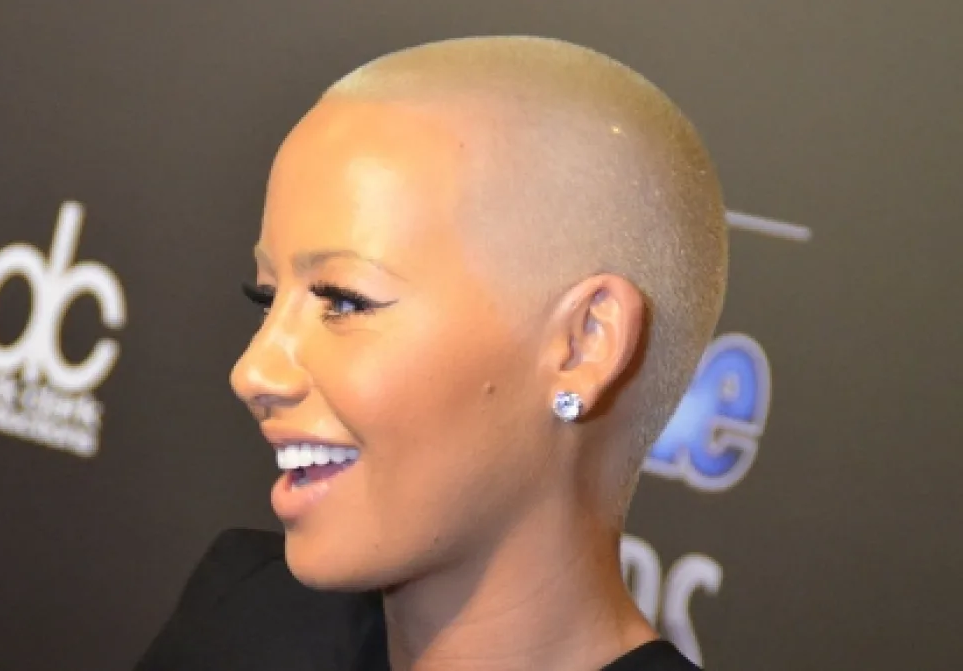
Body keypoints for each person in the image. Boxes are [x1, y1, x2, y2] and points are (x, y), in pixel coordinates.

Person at [135, 35, 727, 671]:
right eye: (266, 298)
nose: (253, 372)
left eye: (344, 301)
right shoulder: (244, 623)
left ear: (584, 345)